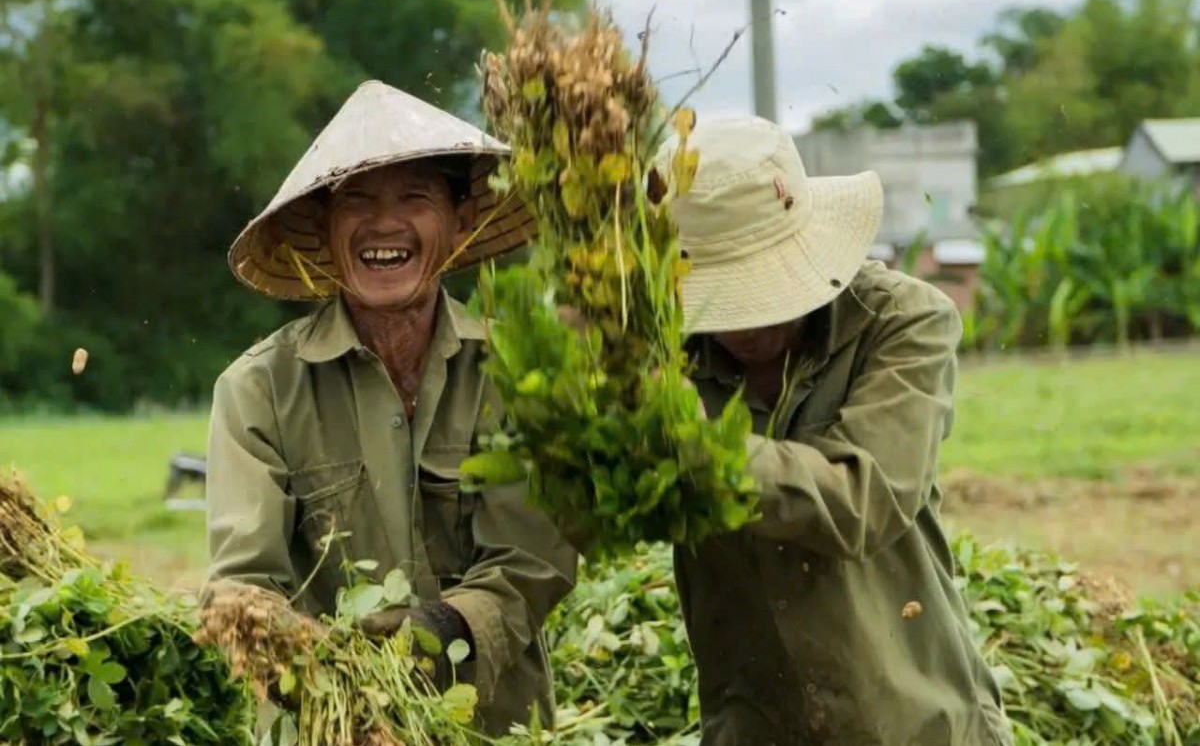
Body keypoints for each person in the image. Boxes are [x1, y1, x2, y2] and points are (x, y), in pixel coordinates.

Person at [203, 80, 577, 736]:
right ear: (324, 228)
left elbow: (530, 563)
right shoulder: (258, 389)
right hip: (331, 723)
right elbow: (243, 583)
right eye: (357, 200)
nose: (384, 224)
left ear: (461, 221)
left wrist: (440, 630)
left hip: (495, 725)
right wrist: (319, 661)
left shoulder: (518, 373)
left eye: (415, 197)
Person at [651, 116, 1015, 745]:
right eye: (724, 298)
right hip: (756, 726)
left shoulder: (900, 322)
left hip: (914, 726)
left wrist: (703, 445)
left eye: (762, 289)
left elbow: (863, 501)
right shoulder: (659, 352)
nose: (744, 326)